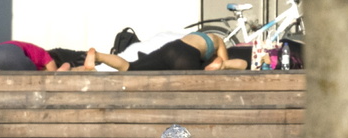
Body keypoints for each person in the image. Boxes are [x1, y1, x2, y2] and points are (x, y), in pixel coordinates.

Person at [82, 32, 248, 71]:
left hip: (171, 47)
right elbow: (240, 66)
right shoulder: (218, 42)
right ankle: (221, 66)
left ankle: (97, 56)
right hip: (188, 55)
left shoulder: (196, 35)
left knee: (130, 67)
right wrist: (223, 65)